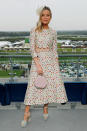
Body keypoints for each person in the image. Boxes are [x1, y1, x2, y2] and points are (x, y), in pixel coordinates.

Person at [21, 5, 68, 127]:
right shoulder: (34, 30)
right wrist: (38, 65)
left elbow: (54, 50)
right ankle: (26, 113)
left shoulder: (53, 32)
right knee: (33, 87)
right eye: (43, 15)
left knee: (47, 86)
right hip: (39, 61)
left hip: (51, 62)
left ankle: (45, 108)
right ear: (40, 17)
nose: (45, 17)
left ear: (51, 17)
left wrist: (56, 65)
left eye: (48, 15)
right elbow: (32, 48)